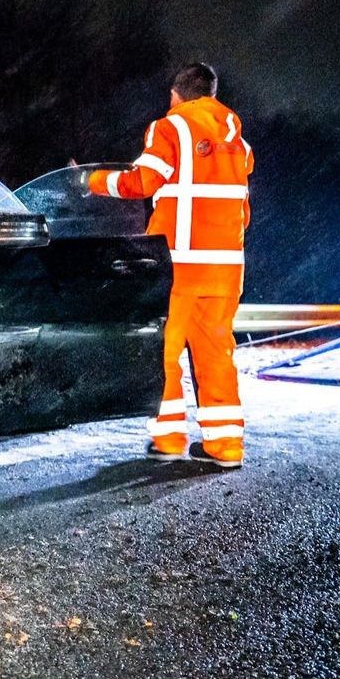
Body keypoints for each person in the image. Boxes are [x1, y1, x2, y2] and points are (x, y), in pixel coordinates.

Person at [86, 62, 253, 467]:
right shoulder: (239, 144)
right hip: (226, 267)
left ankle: (170, 436)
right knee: (216, 351)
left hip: (178, 262)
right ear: (211, 96)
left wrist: (92, 182)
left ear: (177, 95)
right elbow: (242, 211)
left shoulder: (169, 128)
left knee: (163, 350)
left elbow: (140, 183)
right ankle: (226, 444)